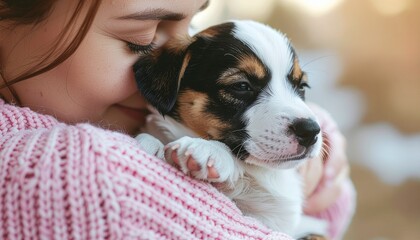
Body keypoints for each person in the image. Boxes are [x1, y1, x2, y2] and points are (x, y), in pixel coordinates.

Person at [0, 0, 355, 239]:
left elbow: (328, 212)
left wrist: (321, 158)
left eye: (194, 23)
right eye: (141, 41)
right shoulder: (76, 172)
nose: (183, 50)